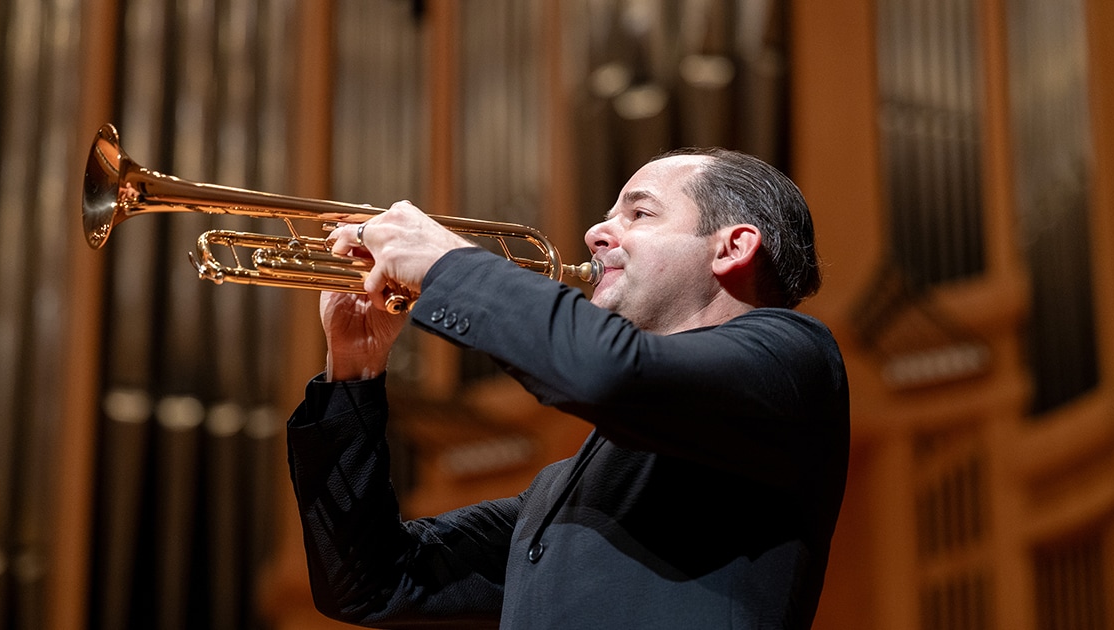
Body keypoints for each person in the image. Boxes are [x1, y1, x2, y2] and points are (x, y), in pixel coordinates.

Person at [285, 148, 850, 629]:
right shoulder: (562, 490)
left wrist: (448, 264)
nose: (594, 233)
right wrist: (354, 367)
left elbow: (611, 372)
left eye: (640, 213)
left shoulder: (794, 355)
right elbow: (369, 584)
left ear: (732, 247)